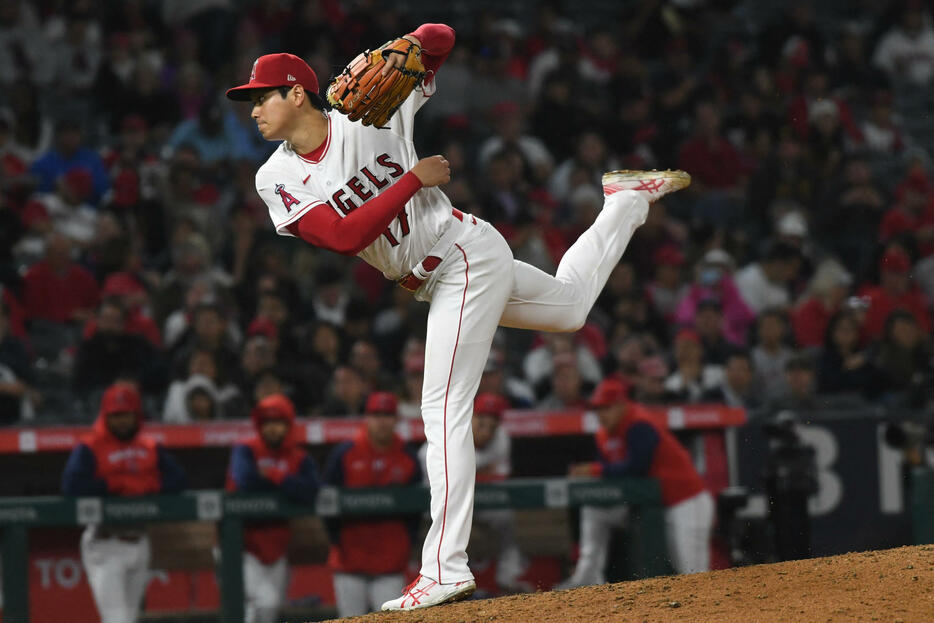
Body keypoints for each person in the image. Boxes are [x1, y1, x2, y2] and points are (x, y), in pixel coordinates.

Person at [227, 23, 690, 610]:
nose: (253, 110)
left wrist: (408, 45)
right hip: (436, 273)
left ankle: (444, 568)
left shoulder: (370, 109)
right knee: (571, 309)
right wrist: (412, 180)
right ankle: (626, 200)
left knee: (441, 408)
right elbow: (343, 237)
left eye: (260, 96)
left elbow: (443, 37)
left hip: (459, 256)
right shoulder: (276, 176)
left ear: (297, 93)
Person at [557, 378, 714, 589]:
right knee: (593, 507)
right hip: (648, 505)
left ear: (622, 405)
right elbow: (611, 475)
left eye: (606, 408)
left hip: (685, 501)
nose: (601, 414)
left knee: (692, 571)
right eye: (597, 409)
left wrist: (594, 470)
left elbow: (637, 467)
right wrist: (590, 473)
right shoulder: (603, 434)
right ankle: (586, 577)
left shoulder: (639, 423)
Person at [61, 382, 187, 623]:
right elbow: (72, 486)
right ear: (105, 415)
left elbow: (179, 480)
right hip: (104, 543)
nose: (122, 421)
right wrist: (114, 485)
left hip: (139, 542)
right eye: (116, 415)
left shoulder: (149, 446)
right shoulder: (90, 447)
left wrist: (148, 485)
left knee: (129, 618)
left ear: (137, 415)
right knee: (118, 620)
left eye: (126, 415)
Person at [323, 392, 421, 617]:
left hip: (390, 562)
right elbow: (326, 503)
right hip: (349, 560)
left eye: (388, 415)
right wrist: (336, 539)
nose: (382, 421)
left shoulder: (407, 456)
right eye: (377, 415)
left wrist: (407, 542)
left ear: (396, 420)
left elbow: (417, 509)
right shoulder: (344, 453)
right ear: (367, 418)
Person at [226, 393, 320, 623]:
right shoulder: (245, 450)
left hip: (276, 545)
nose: (273, 429)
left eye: (278, 423)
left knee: (268, 609)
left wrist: (275, 475)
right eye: (268, 423)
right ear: (259, 425)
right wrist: (288, 484)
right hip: (240, 545)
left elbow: (310, 491)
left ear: (288, 425)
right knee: (264, 602)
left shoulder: (298, 457)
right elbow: (246, 481)